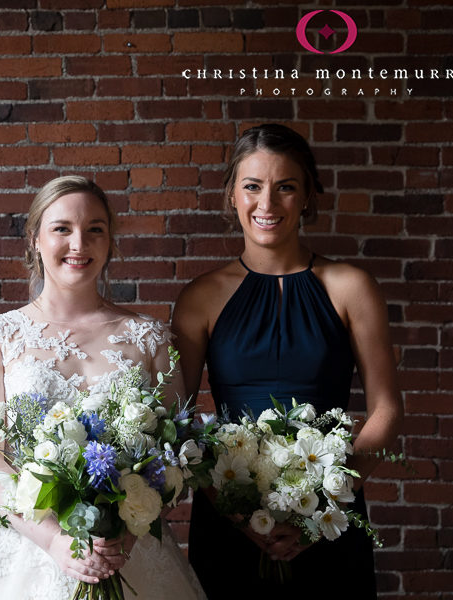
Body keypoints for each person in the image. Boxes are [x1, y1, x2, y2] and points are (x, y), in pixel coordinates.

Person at [0, 176, 205, 600]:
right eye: (62, 229)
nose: (79, 243)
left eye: (95, 230)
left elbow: (174, 453)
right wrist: (54, 541)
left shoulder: (150, 337)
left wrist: (123, 534)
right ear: (35, 238)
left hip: (128, 552)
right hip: (25, 549)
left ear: (110, 243)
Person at [172, 123, 404, 598]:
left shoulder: (351, 287)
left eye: (286, 188)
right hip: (228, 520)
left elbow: (387, 411)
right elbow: (179, 419)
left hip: (330, 519)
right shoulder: (200, 298)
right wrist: (235, 510)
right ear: (232, 196)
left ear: (307, 197)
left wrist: (321, 506)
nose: (267, 204)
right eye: (253, 187)